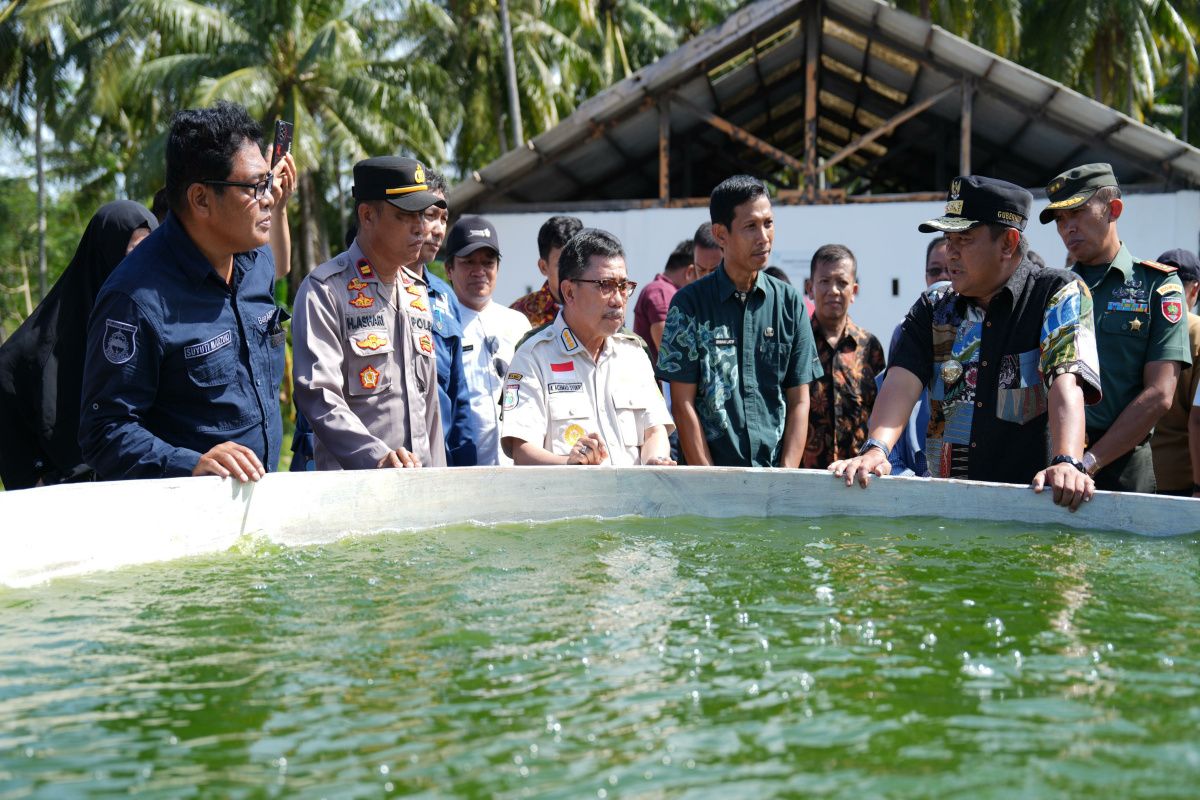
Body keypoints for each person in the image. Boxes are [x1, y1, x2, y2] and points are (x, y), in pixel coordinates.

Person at [829, 175, 1102, 512]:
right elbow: (901, 381)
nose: (950, 252)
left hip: (1029, 512)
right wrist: (876, 450)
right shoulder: (934, 306)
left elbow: (1067, 383)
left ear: (1007, 243)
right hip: (945, 513)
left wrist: (1067, 462)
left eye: (964, 239)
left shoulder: (1056, 294)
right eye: (948, 238)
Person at [79, 101, 289, 482]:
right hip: (184, 527)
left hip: (262, 516)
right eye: (255, 187)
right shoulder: (135, 298)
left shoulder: (258, 263)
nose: (270, 197)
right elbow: (104, 431)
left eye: (268, 183)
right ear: (201, 199)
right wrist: (189, 462)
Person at [1041, 163, 1192, 492]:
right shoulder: (1050, 288)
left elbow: (1160, 394)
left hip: (1123, 468)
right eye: (1060, 220)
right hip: (1052, 464)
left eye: (1077, 213)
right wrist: (1065, 460)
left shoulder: (1158, 286)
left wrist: (1088, 462)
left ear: (1114, 209)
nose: (1068, 228)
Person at [292, 156, 446, 470]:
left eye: (422, 214)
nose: (421, 227)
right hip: (356, 492)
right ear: (367, 215)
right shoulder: (325, 290)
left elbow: (430, 406)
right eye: (405, 215)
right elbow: (319, 396)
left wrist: (439, 480)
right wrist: (376, 459)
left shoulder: (416, 290)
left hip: (422, 488)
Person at [656, 174, 821, 468]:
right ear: (721, 235)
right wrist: (709, 481)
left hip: (775, 480)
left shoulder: (790, 303)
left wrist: (785, 478)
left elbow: (799, 400)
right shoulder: (689, 304)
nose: (764, 237)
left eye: (768, 223)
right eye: (750, 227)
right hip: (711, 481)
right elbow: (682, 404)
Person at [0, 201, 157, 489]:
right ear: (102, 253)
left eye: (153, 252)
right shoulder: (34, 350)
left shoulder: (158, 325)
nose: (144, 265)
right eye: (134, 252)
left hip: (144, 493)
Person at [502, 229, 674, 466]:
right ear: (569, 292)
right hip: (570, 500)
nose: (618, 300)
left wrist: (655, 459)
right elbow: (522, 451)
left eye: (623, 286)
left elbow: (655, 432)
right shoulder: (533, 356)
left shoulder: (634, 354)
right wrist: (569, 465)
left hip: (635, 500)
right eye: (605, 286)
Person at [444, 215, 531, 465]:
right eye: (468, 262)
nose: (479, 271)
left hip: (516, 466)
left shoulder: (518, 323)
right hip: (461, 466)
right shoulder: (439, 326)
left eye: (488, 262)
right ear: (449, 269)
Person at [405, 167, 476, 466]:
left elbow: (458, 396)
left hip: (438, 463)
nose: (437, 229)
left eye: (443, 219)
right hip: (383, 467)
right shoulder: (363, 291)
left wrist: (466, 467)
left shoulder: (445, 298)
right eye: (429, 215)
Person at [802, 244, 885, 469]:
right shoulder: (796, 344)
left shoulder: (870, 348)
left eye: (842, 282)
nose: (834, 290)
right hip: (805, 479)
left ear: (854, 291)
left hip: (858, 478)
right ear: (810, 288)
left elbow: (882, 411)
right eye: (824, 282)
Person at [1148, 248, 1200, 496]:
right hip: (1183, 476)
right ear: (1196, 290)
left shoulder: (1136, 324)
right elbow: (1198, 421)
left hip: (1134, 467)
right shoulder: (1197, 332)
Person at [510, 215, 583, 327]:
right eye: (562, 264)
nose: (572, 272)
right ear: (543, 267)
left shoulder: (601, 307)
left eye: (578, 262)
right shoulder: (518, 315)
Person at [633, 239, 694, 364]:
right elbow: (672, 356)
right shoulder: (662, 292)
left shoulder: (662, 291)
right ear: (690, 272)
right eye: (703, 270)